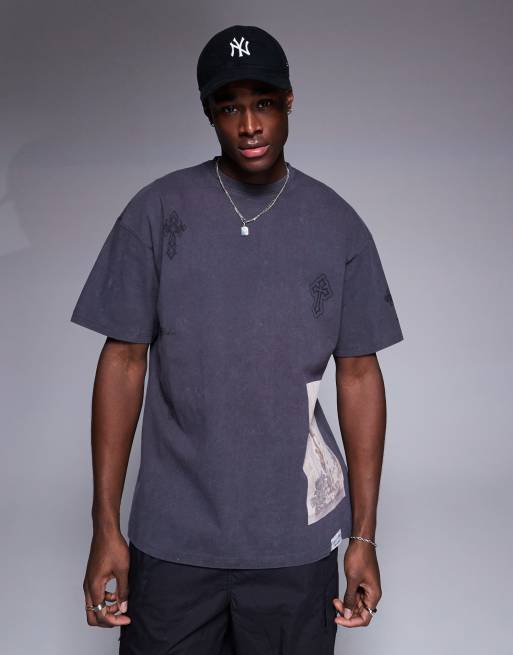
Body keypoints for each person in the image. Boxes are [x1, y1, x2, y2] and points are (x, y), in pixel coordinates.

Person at [71, 24, 404, 655]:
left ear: (289, 102)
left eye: (264, 103)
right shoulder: (156, 212)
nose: (250, 125)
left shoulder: (338, 225)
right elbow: (122, 362)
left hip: (293, 546)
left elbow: (360, 376)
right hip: (172, 541)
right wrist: (104, 525)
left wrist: (364, 537)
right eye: (230, 108)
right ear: (209, 113)